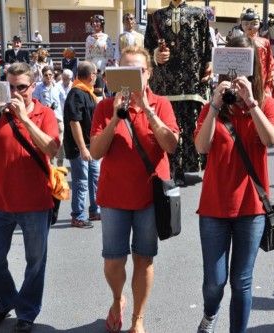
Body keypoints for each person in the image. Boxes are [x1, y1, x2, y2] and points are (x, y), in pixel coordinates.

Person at [194, 36, 274, 333]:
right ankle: (209, 314)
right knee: (214, 282)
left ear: (254, 66)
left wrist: (252, 103)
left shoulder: (266, 102)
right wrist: (215, 105)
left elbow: (271, 138)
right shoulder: (214, 104)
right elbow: (201, 147)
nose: (235, 74)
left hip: (251, 206)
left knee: (242, 281)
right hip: (214, 206)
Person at [0, 62, 59, 333]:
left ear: (33, 87)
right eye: (11, 87)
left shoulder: (45, 114)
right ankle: (5, 301)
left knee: (36, 261)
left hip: (35, 203)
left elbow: (51, 148)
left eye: (22, 87)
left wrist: (26, 119)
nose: (16, 92)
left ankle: (27, 312)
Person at [90, 45, 179, 333]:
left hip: (149, 197)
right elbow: (95, 152)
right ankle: (117, 299)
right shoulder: (105, 107)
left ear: (148, 74)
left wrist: (148, 112)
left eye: (138, 70)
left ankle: (138, 319)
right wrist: (116, 116)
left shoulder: (162, 103)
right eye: (125, 70)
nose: (133, 76)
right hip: (114, 197)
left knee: (144, 257)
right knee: (113, 262)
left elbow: (171, 145)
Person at [144, 0, 212, 185]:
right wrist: (156, 53)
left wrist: (209, 64)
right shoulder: (156, 16)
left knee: (190, 123)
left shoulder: (198, 14)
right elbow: (147, 46)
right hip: (165, 81)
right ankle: (171, 169)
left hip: (191, 79)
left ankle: (188, 167)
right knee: (167, 125)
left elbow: (207, 43)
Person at [63, 61, 100, 228]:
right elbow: (74, 122)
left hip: (90, 145)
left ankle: (95, 210)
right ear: (91, 75)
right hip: (79, 147)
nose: (96, 78)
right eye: (96, 74)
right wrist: (83, 148)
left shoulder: (88, 92)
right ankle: (78, 215)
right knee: (81, 181)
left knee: (94, 178)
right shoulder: (76, 93)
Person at [240, 9, 274, 101]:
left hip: (261, 74)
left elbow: (270, 61)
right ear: (241, 25)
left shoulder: (264, 42)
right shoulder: (238, 42)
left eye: (254, 23)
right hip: (242, 72)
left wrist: (270, 75)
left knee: (260, 96)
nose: (250, 27)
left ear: (259, 24)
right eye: (246, 24)